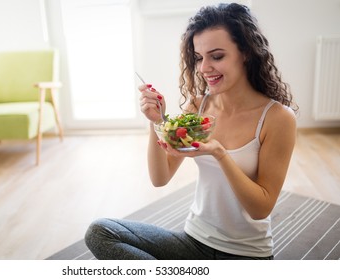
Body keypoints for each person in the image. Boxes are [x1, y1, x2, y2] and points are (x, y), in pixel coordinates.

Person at [85, 2, 297, 260]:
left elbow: (260, 208)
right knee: (100, 232)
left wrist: (220, 154)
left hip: (245, 255)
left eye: (216, 56)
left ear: (246, 53)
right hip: (193, 241)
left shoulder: (277, 118)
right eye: (198, 57)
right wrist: (157, 122)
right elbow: (160, 177)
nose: (204, 67)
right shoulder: (198, 105)